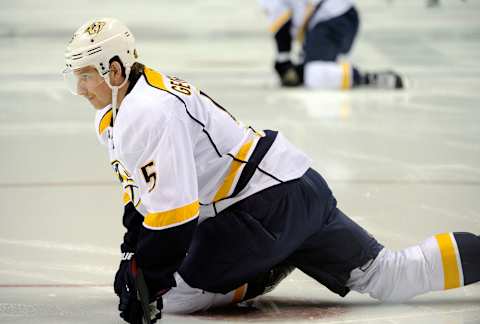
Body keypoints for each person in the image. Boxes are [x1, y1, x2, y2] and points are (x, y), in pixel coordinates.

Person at [63, 18, 478, 323]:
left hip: (261, 211)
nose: (80, 90)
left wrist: (147, 277)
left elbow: (175, 216)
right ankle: (278, 252)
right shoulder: (129, 103)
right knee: (393, 275)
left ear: (114, 70)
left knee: (172, 296)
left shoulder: (146, 112)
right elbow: (142, 200)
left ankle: (262, 269)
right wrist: (132, 255)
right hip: (296, 186)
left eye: (85, 78)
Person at [258, 0, 405, 89]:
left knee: (312, 73)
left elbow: (282, 24)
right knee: (304, 71)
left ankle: (367, 78)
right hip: (341, 16)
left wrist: (283, 61)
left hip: (331, 20)